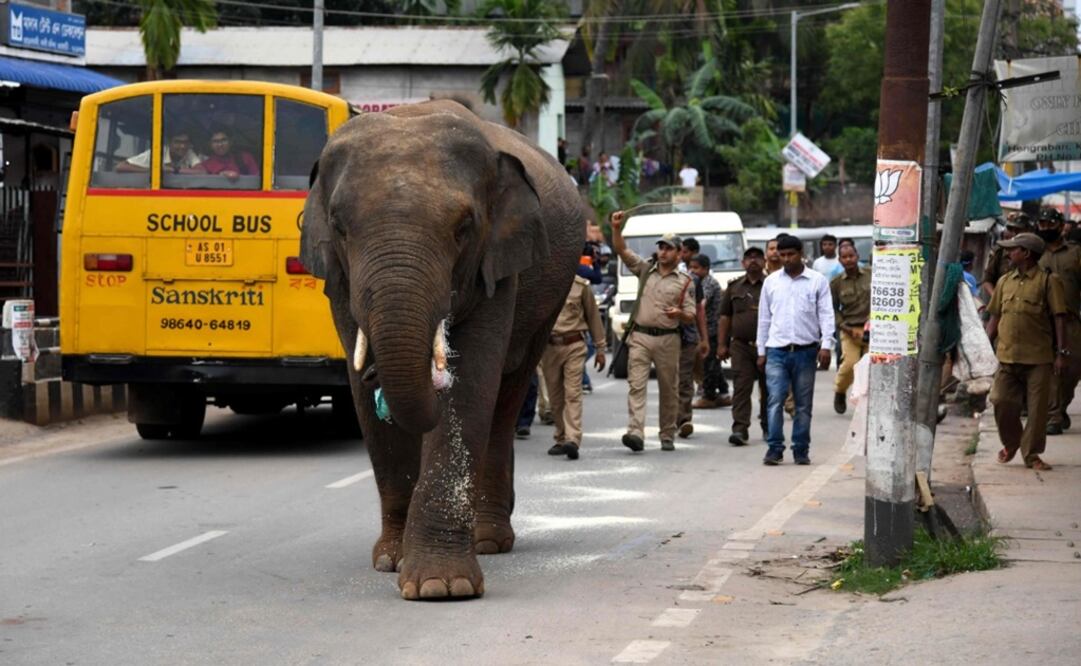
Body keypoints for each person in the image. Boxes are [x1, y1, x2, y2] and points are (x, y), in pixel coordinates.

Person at [610, 210, 696, 452]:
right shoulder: (645, 269)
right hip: (641, 337)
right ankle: (635, 432)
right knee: (636, 385)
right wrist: (616, 229)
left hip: (668, 339)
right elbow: (622, 251)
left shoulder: (685, 282)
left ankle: (667, 433)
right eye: (661, 247)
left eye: (669, 248)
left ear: (679, 254)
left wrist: (679, 314)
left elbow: (690, 316)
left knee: (669, 388)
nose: (663, 252)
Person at [985, 233, 1068, 471]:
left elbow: (1059, 318)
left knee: (1037, 411)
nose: (1009, 254)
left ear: (1027, 254)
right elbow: (995, 317)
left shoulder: (1048, 281)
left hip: (1039, 358)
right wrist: (984, 346)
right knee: (1000, 401)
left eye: (1013, 250)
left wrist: (1061, 353)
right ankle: (1012, 443)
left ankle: (1031, 455)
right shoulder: (1004, 282)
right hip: (1007, 356)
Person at [757, 235, 835, 465]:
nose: (786, 259)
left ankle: (801, 449)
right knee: (775, 399)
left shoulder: (817, 281)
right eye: (782, 255)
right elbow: (764, 319)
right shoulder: (771, 282)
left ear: (801, 254)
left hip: (806, 351)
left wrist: (826, 345)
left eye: (791, 254)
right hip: (776, 351)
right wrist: (761, 351)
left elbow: (827, 314)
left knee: (803, 404)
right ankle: (775, 448)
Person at [540, 274, 607, 460]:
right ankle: (561, 436)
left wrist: (600, 348)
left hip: (574, 344)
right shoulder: (544, 285)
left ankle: (573, 439)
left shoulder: (581, 286)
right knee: (555, 396)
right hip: (549, 348)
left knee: (573, 392)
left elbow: (593, 317)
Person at [1034, 208, 1081, 435]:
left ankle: (1060, 408)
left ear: (1060, 226)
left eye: (1049, 224)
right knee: (1047, 369)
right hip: (1041, 322)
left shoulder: (1075, 253)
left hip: (1071, 320)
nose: (1045, 229)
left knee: (1071, 369)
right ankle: (1052, 415)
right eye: (1042, 224)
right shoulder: (1035, 253)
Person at [717, 247, 768, 445]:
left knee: (769, 389)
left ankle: (768, 426)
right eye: (749, 258)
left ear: (764, 261)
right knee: (741, 387)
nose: (753, 261)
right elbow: (725, 317)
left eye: (757, 257)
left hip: (768, 345)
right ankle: (740, 429)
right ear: (743, 263)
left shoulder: (772, 284)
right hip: (741, 346)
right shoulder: (734, 287)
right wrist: (722, 344)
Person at [830, 243, 871, 414]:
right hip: (849, 330)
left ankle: (867, 401)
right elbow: (832, 310)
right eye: (844, 257)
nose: (849, 260)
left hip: (872, 328)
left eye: (851, 256)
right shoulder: (836, 283)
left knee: (872, 367)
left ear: (857, 256)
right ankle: (840, 391)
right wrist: (846, 328)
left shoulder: (872, 275)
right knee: (850, 364)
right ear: (840, 260)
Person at [690, 254, 732, 409]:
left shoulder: (708, 283)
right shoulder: (698, 281)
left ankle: (708, 396)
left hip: (713, 330)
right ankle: (723, 393)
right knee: (713, 363)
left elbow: (701, 303)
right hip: (705, 329)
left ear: (706, 269)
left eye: (696, 268)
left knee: (709, 364)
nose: (692, 271)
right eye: (691, 267)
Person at [676, 263, 710, 438]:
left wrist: (704, 339)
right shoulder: (653, 277)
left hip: (687, 338)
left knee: (685, 380)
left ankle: (683, 420)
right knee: (669, 381)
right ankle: (669, 420)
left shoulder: (692, 280)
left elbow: (699, 310)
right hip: (664, 338)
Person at [982, 214, 1031, 300]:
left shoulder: (1034, 252)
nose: (1014, 233)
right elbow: (987, 280)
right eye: (1011, 229)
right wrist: (996, 298)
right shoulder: (1000, 252)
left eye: (1018, 230)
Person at [118, 130, 205, 174]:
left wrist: (173, 170)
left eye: (185, 142)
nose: (182, 146)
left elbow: (202, 172)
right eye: (177, 142)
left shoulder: (188, 152)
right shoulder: (157, 152)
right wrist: (154, 171)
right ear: (169, 143)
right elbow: (120, 166)